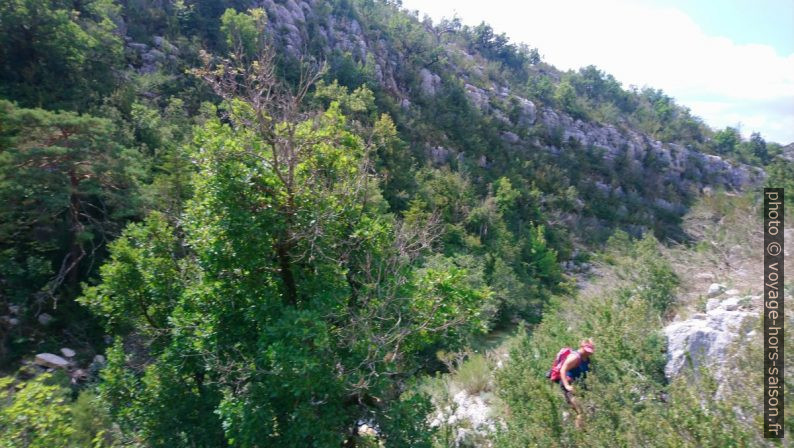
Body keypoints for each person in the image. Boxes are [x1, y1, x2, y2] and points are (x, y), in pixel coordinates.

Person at [557, 338, 594, 428]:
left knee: (589, 409)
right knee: (580, 411)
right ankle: (579, 435)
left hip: (580, 388)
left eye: (590, 351)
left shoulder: (586, 358)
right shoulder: (575, 357)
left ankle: (579, 429)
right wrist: (567, 386)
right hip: (570, 387)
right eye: (587, 350)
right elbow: (562, 370)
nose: (589, 353)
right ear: (582, 347)